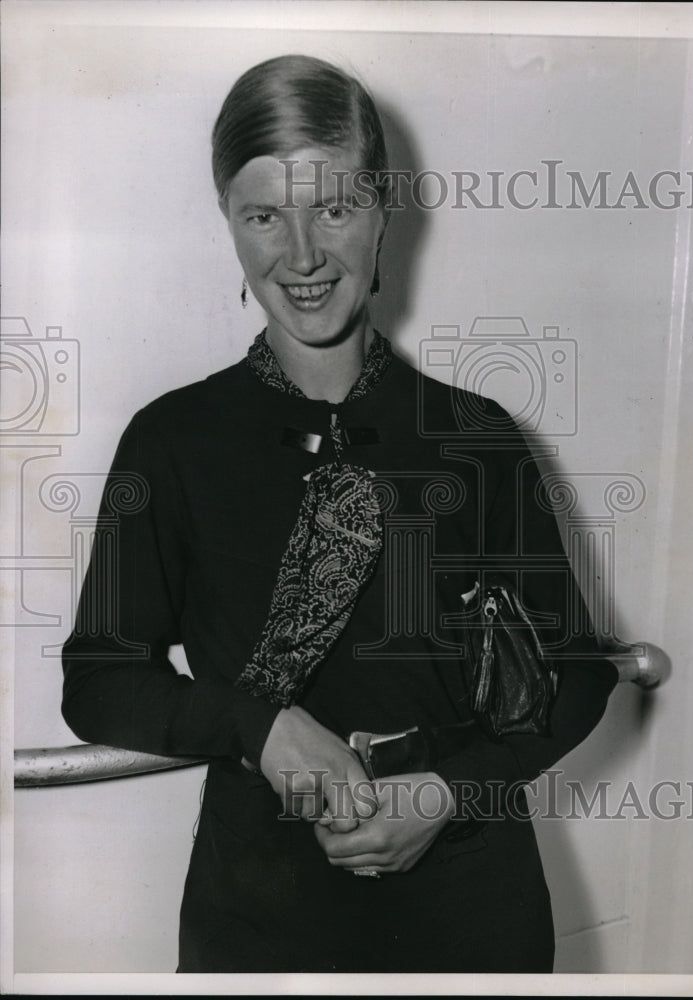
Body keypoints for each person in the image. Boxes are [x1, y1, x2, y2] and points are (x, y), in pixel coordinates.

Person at [61, 54, 619, 973]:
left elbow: (579, 672)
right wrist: (259, 725)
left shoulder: (474, 435)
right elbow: (98, 680)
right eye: (264, 215)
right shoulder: (171, 439)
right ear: (229, 227)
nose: (303, 254)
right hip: (260, 906)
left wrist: (447, 791)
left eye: (333, 207)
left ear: (383, 215)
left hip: (469, 897)